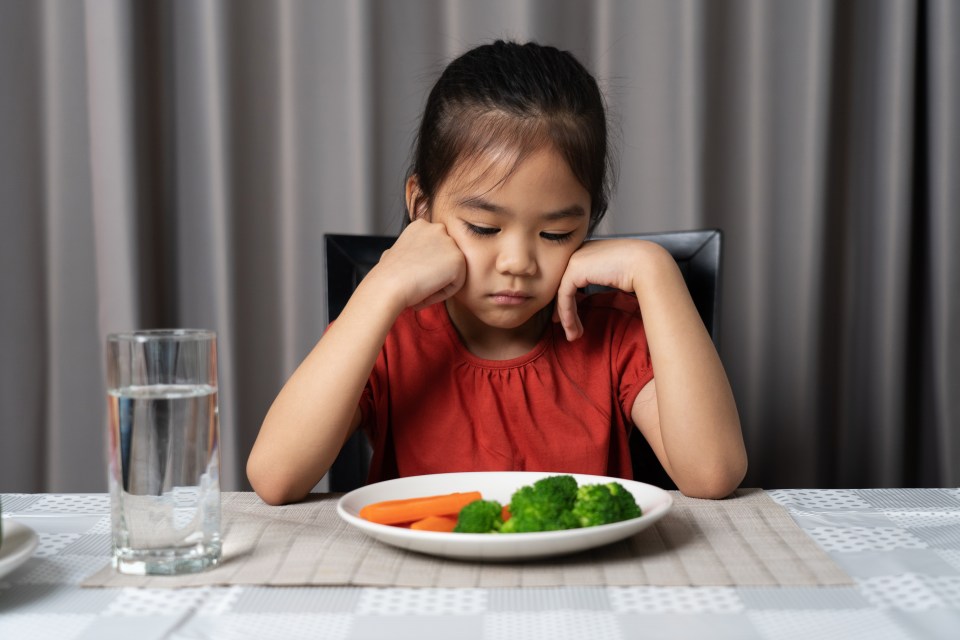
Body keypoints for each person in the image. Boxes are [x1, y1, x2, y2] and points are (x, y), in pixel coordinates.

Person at [247, 40, 747, 506]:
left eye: (555, 235)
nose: (518, 263)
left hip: (582, 593)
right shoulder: (391, 337)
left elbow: (713, 474)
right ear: (422, 207)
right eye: (484, 228)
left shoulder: (613, 335)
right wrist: (384, 284)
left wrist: (653, 269)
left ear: (589, 224)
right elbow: (275, 477)